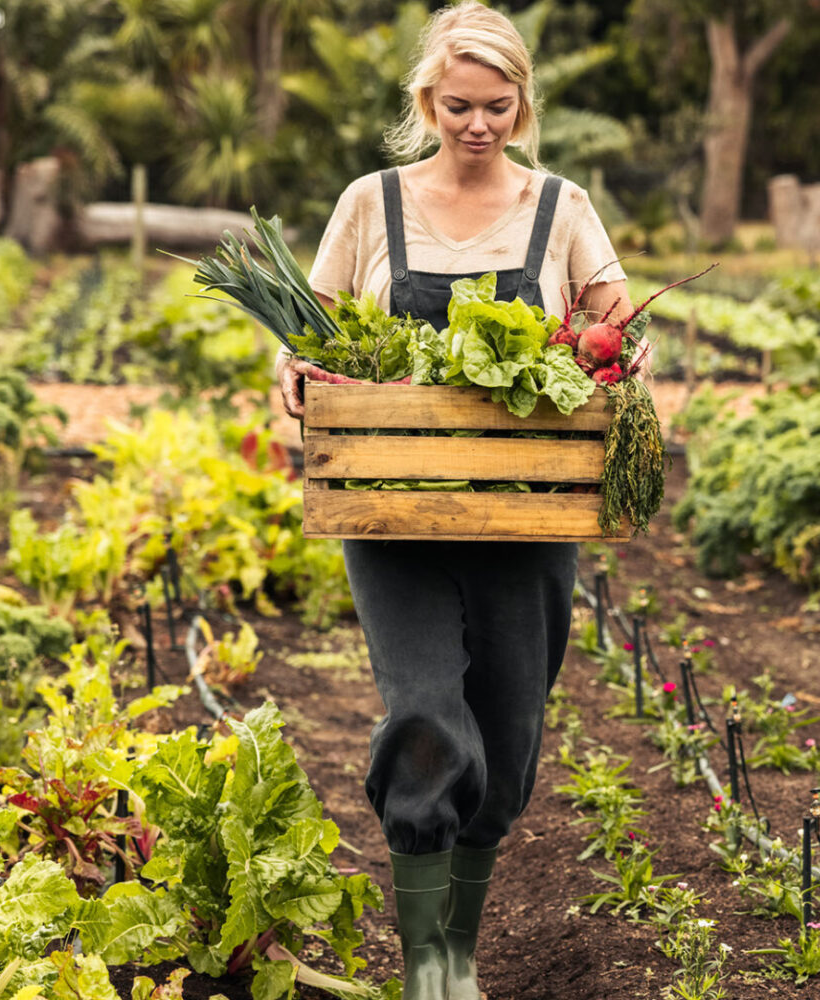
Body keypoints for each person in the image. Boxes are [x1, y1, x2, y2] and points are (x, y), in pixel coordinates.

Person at [275, 4, 629, 999]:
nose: (477, 125)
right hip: (395, 513)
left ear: (523, 104)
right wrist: (293, 373)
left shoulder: (560, 207)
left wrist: (622, 358)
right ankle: (425, 963)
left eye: (496, 106)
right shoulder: (370, 203)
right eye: (458, 105)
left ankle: (461, 948)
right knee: (427, 716)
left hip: (527, 516)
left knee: (508, 740)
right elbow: (309, 338)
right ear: (427, 102)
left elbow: (615, 320)